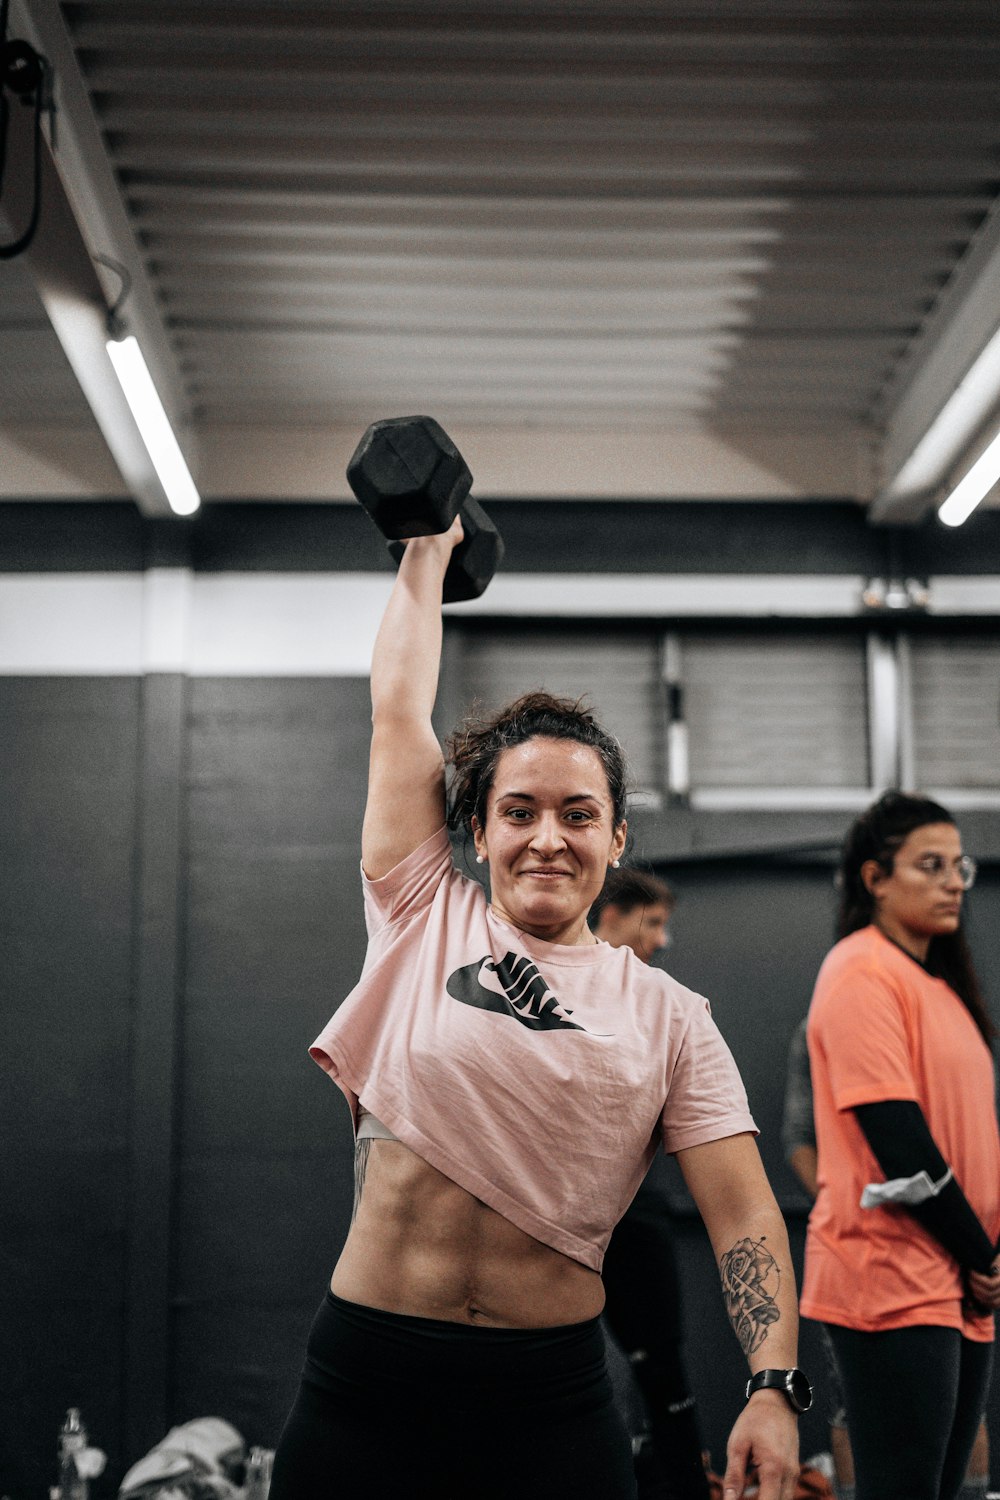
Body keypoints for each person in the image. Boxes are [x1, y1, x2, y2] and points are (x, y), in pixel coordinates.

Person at [269, 519, 805, 1500]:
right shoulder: (421, 909)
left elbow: (745, 1218)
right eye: (518, 811)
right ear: (476, 830)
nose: (546, 838)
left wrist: (772, 1383)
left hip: (546, 1408)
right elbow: (397, 707)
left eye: (577, 814)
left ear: (616, 835)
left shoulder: (673, 1018)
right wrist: (427, 551)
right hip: (366, 1387)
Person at [801, 791, 1000, 1500]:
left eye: (960, 867)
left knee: (945, 1489)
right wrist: (980, 1255)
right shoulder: (860, 970)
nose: (953, 881)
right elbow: (897, 1138)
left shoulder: (941, 984)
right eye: (930, 865)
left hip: (956, 1278)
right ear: (875, 879)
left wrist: (981, 1261)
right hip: (892, 1271)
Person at [784, 1018, 993, 1500]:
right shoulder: (826, 1024)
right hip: (870, 1263)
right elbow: (798, 1138)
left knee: (963, 1403)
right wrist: (849, 1214)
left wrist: (976, 1242)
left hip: (956, 1251)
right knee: (856, 1408)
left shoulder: (955, 1027)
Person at [593, 868, 711, 1500]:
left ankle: (686, 1488)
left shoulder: (661, 1008)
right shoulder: (541, 992)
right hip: (560, 1229)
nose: (663, 940)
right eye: (653, 923)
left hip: (636, 1217)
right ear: (613, 913)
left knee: (662, 1370)